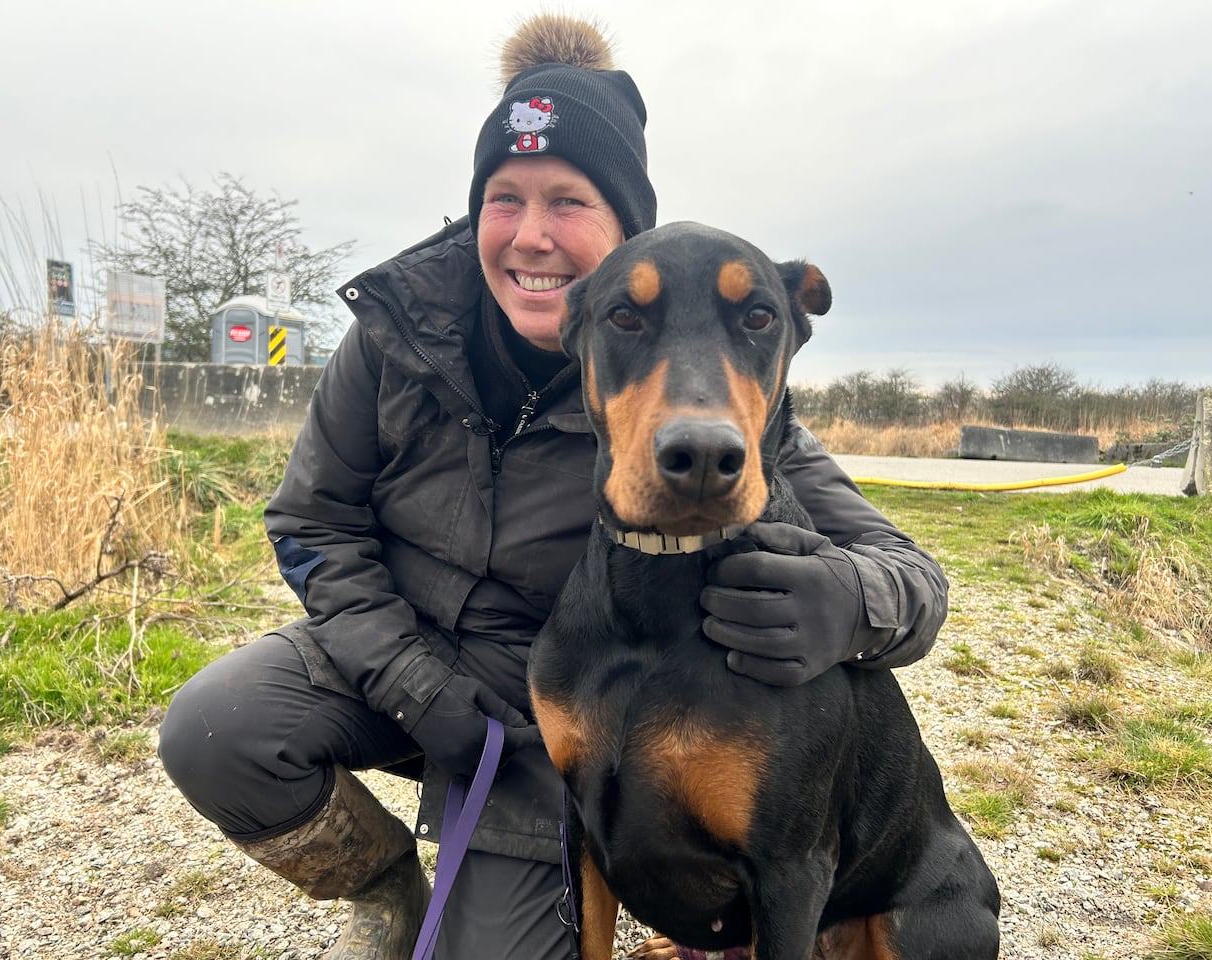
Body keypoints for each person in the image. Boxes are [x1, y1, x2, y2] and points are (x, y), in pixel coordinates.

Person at [158, 14, 949, 960]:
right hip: (392, 652)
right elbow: (309, 521)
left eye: (568, 200)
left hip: (546, 703)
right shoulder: (396, 330)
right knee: (218, 726)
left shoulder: (682, 376)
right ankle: (384, 889)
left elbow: (912, 577)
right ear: (477, 207)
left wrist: (848, 602)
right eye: (506, 197)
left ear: (624, 227)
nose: (531, 235)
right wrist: (414, 684)